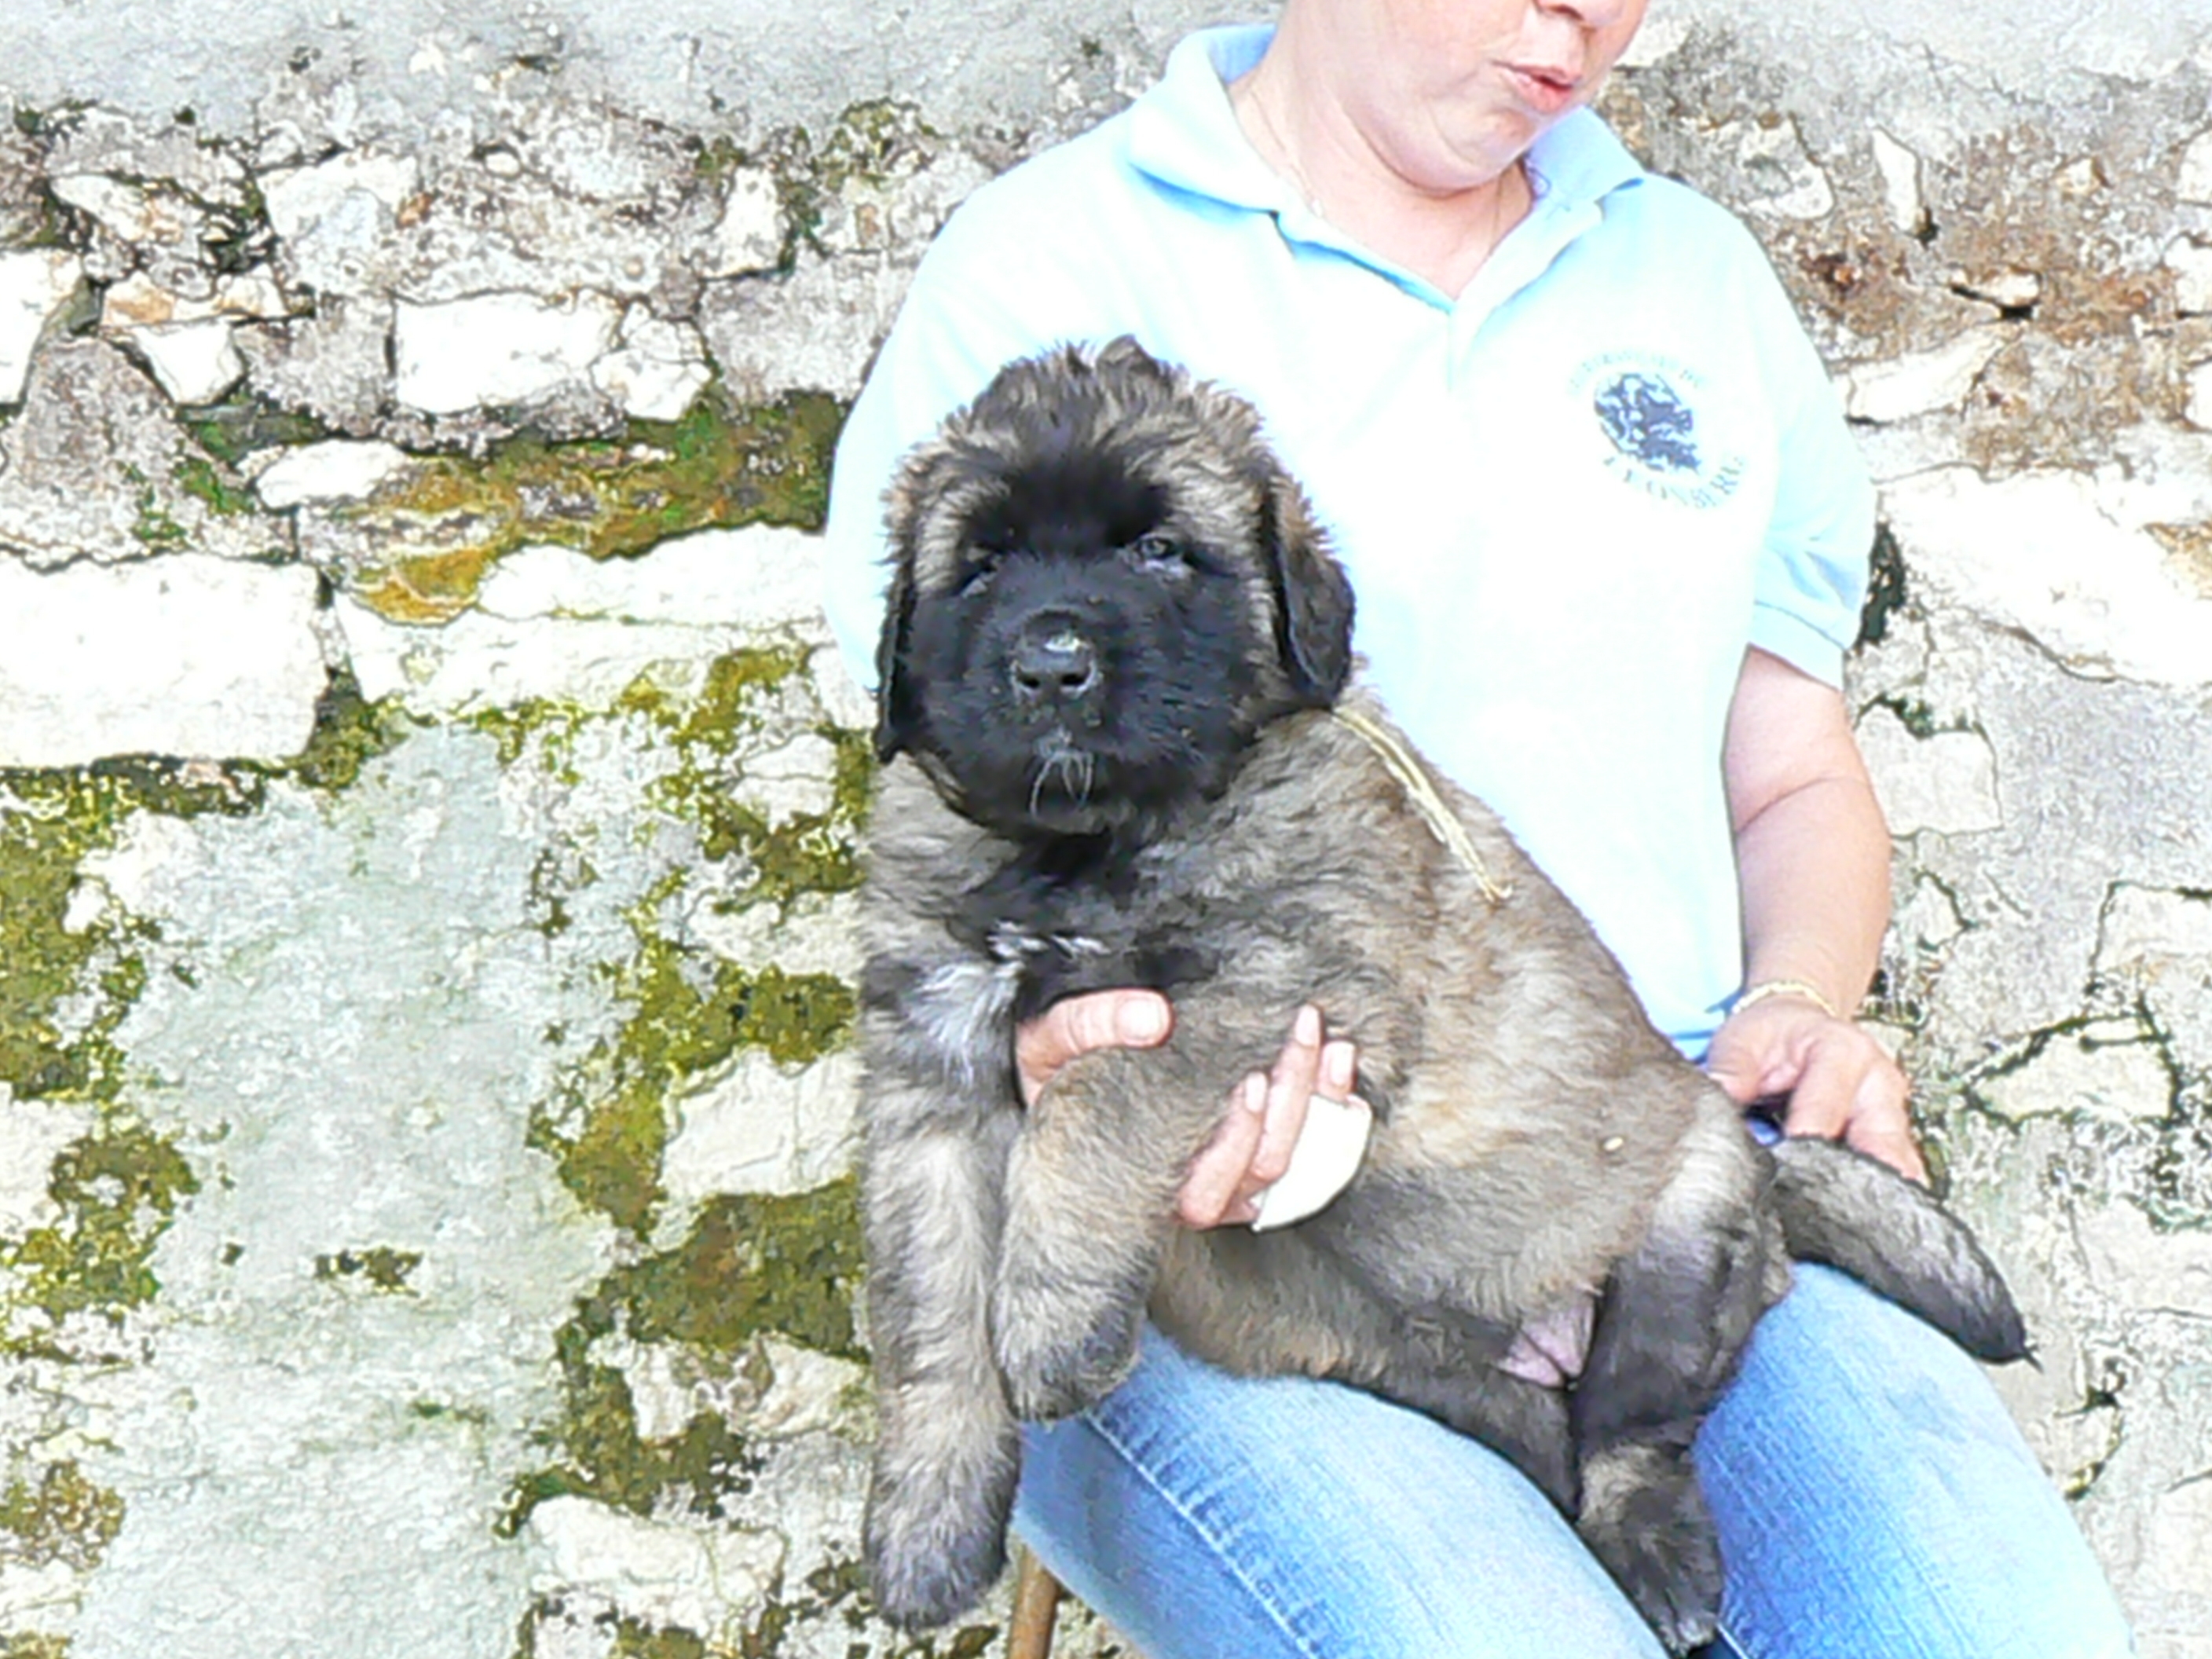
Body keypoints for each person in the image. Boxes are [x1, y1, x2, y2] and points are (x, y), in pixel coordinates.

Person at [820, 2, 2135, 1654]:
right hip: (1176, 1262)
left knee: (1996, 1633)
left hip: (1623, 1146)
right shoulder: (1044, 263)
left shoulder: (1695, 283)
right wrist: (1090, 1093)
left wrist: (1798, 1003)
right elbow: (951, 794)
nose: (1579, 13)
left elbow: (1791, 768)